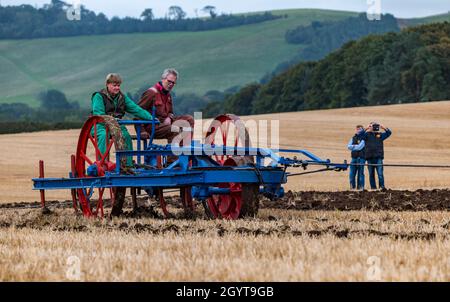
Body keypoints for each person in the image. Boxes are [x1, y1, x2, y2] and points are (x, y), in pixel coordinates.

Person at [91, 73, 153, 168]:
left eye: (118, 85)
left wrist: (150, 118)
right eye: (114, 85)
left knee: (126, 136)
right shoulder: (99, 96)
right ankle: (102, 164)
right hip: (100, 125)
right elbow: (99, 114)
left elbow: (136, 109)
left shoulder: (122, 98)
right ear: (107, 84)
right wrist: (111, 119)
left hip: (117, 125)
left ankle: (127, 165)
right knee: (104, 135)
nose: (117, 88)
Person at [138, 68, 194, 146]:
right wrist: (142, 131)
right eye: (169, 81)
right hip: (153, 126)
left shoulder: (168, 95)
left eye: (173, 83)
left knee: (189, 119)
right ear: (163, 79)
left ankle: (185, 149)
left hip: (165, 124)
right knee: (174, 129)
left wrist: (169, 118)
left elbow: (171, 112)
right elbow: (138, 111)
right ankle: (174, 157)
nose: (171, 84)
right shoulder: (151, 93)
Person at [358, 122, 392, 190]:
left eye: (375, 126)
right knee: (371, 174)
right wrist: (366, 128)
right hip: (369, 158)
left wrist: (383, 127)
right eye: (372, 126)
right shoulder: (366, 135)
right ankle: (373, 188)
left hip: (378, 157)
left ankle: (382, 187)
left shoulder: (380, 135)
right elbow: (359, 135)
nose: (373, 127)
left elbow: (389, 133)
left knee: (380, 174)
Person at [347, 125, 365, 190]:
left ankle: (361, 188)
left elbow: (360, 147)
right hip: (353, 158)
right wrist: (356, 146)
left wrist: (353, 146)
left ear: (363, 130)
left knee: (360, 175)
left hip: (361, 158)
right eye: (357, 129)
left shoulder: (364, 137)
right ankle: (352, 188)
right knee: (351, 175)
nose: (358, 130)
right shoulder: (353, 137)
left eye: (359, 129)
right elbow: (348, 146)